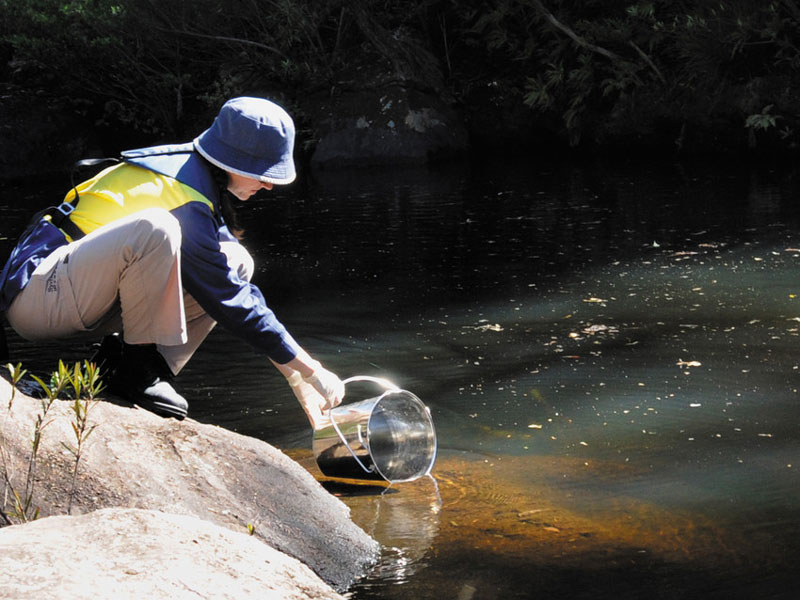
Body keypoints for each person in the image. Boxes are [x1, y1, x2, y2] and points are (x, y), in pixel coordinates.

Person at [0, 96, 344, 427]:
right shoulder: (184, 197)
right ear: (232, 162)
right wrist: (309, 368)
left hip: (83, 296)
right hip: (39, 297)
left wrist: (296, 376)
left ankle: (130, 370)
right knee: (157, 228)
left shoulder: (196, 181)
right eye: (264, 173)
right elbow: (230, 300)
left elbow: (234, 292)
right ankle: (138, 372)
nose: (269, 185)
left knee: (237, 262)